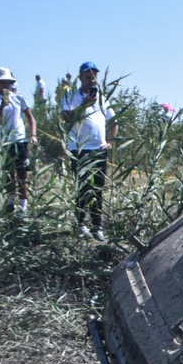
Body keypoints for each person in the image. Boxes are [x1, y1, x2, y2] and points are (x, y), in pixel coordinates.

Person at [61, 61, 117, 240]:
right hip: (79, 149)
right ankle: (80, 224)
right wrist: (84, 105)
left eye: (94, 76)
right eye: (88, 76)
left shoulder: (101, 97)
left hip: (98, 148)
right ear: (80, 78)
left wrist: (110, 140)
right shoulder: (70, 96)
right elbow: (67, 118)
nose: (92, 79)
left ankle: (96, 226)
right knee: (82, 188)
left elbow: (113, 120)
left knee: (97, 188)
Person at [0, 66, 37, 214]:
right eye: (2, 83)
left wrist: (33, 135)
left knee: (22, 173)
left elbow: (30, 118)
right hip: (4, 141)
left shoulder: (19, 98)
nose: (5, 86)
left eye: (7, 82)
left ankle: (23, 207)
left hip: (20, 140)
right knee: (9, 174)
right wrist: (2, 106)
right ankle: (10, 203)